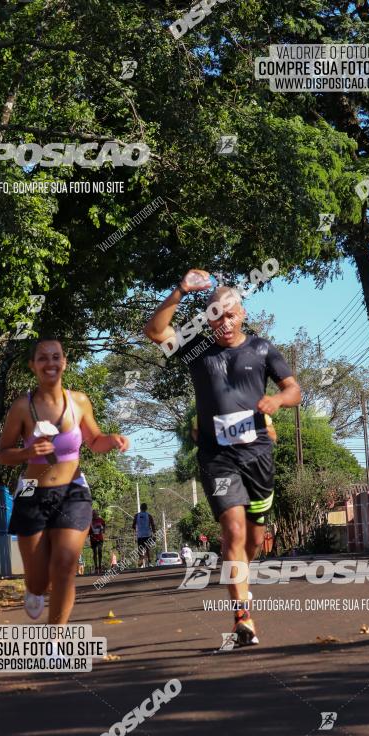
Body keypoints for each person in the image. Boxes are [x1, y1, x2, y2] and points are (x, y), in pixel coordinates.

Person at [144, 269, 301, 647]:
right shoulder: (197, 349)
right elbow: (154, 331)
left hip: (258, 454)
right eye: (217, 315)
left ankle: (241, 581)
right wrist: (180, 289)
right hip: (217, 456)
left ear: (242, 314)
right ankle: (242, 617)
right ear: (209, 317)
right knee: (232, 529)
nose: (225, 322)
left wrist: (277, 400)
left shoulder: (262, 349)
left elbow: (293, 388)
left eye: (231, 315)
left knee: (253, 540)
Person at [0, 338, 129, 625]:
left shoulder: (78, 401)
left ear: (65, 362)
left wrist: (113, 440)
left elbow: (94, 440)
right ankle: (33, 590)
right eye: (43, 358)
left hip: (73, 491)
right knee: (39, 579)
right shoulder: (22, 407)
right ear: (33, 365)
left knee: (65, 567)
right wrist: (27, 452)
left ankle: (55, 637)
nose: (50, 363)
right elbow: (2, 454)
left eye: (56, 357)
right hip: (32, 491)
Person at [132, 503, 156, 568]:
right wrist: (154, 534)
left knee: (140, 549)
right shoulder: (149, 516)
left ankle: (141, 560)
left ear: (140, 508)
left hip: (140, 535)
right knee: (148, 549)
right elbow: (153, 525)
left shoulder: (136, 515)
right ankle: (150, 563)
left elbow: (133, 525)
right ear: (146, 508)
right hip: (147, 534)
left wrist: (137, 530)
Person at [89, 510, 106, 574]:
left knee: (100, 551)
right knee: (95, 552)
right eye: (93, 514)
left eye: (95, 514)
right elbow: (89, 531)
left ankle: (100, 566)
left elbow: (104, 525)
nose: (94, 515)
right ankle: (96, 567)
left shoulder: (101, 520)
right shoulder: (90, 521)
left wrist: (103, 530)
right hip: (93, 539)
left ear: (97, 514)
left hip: (100, 539)